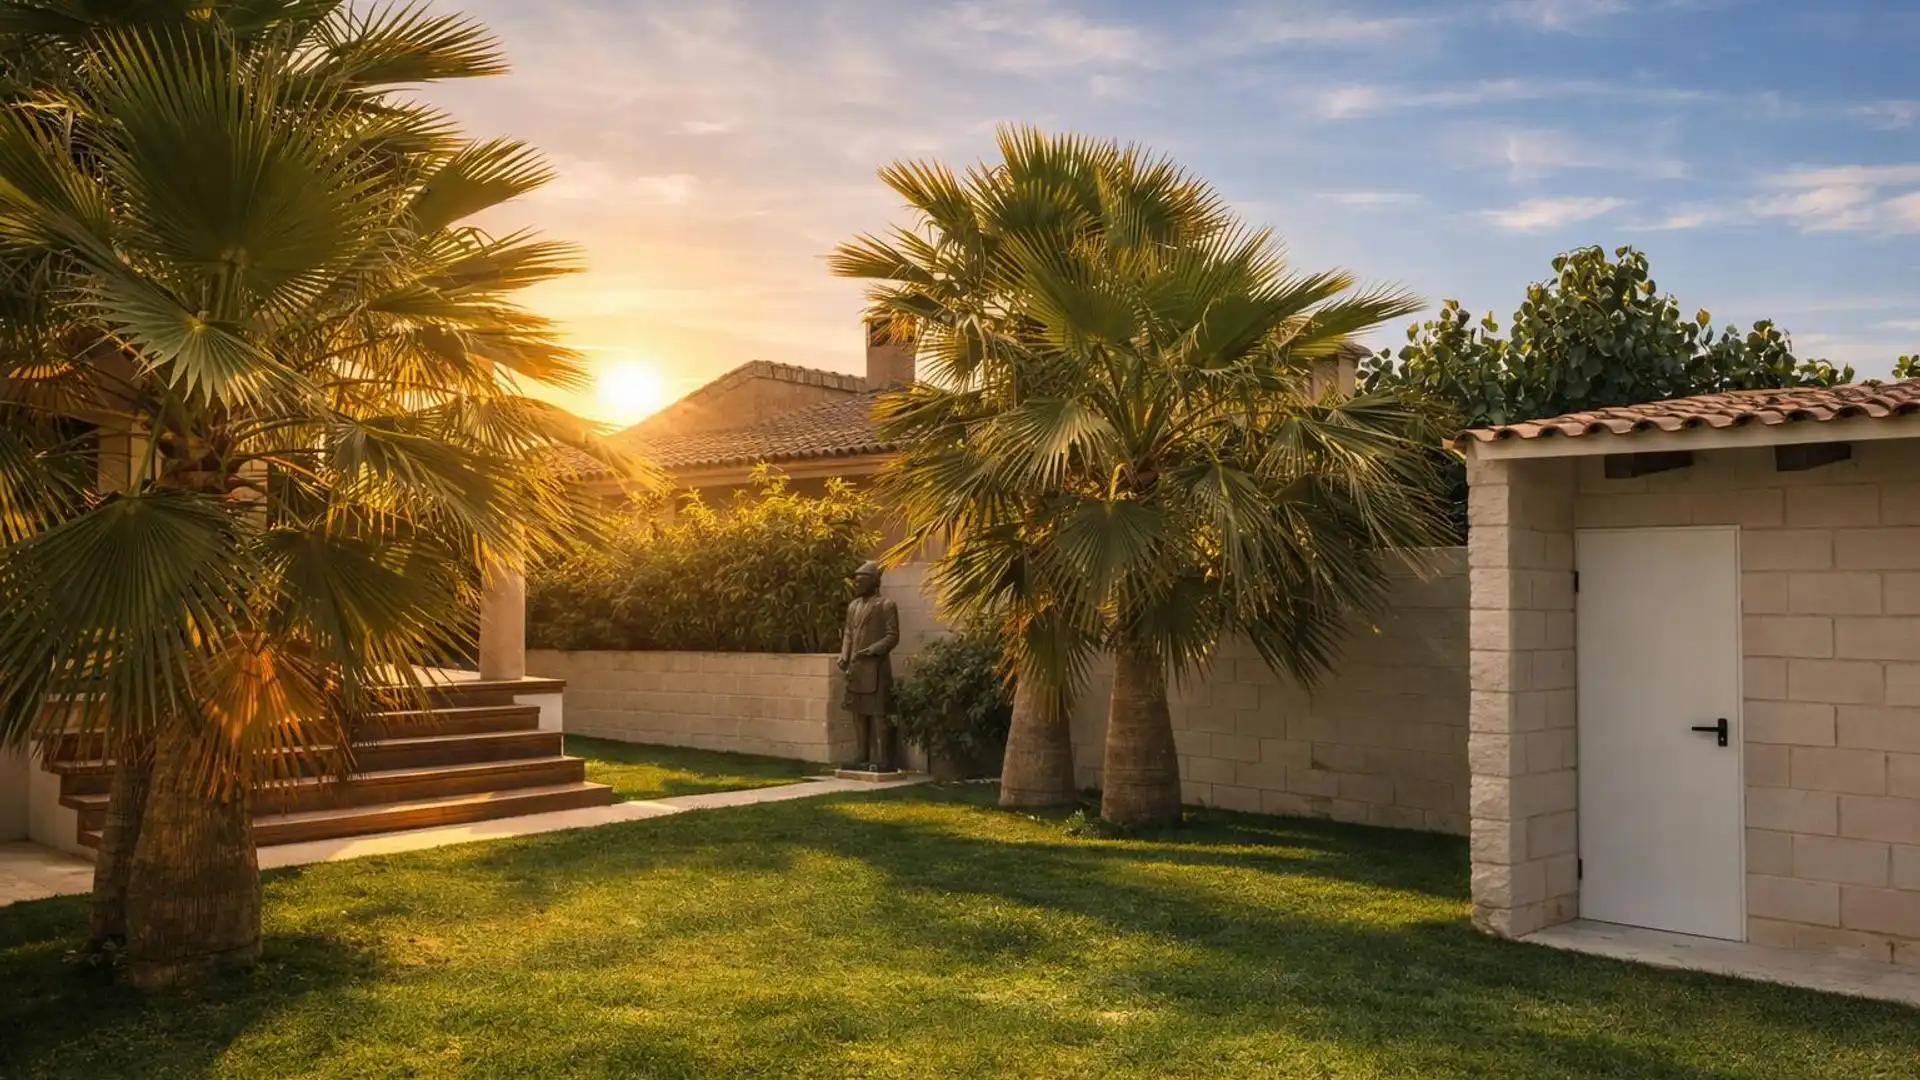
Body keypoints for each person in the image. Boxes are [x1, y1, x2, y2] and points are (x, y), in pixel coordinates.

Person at [837, 560, 900, 770]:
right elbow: (848, 633)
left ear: (874, 582)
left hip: (877, 668)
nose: (857, 585)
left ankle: (884, 759)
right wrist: (844, 655)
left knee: (878, 713)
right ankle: (861, 755)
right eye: (856, 582)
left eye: (861, 581)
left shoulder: (886, 605)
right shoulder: (853, 606)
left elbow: (893, 636)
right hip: (856, 668)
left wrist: (874, 649)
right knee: (858, 712)